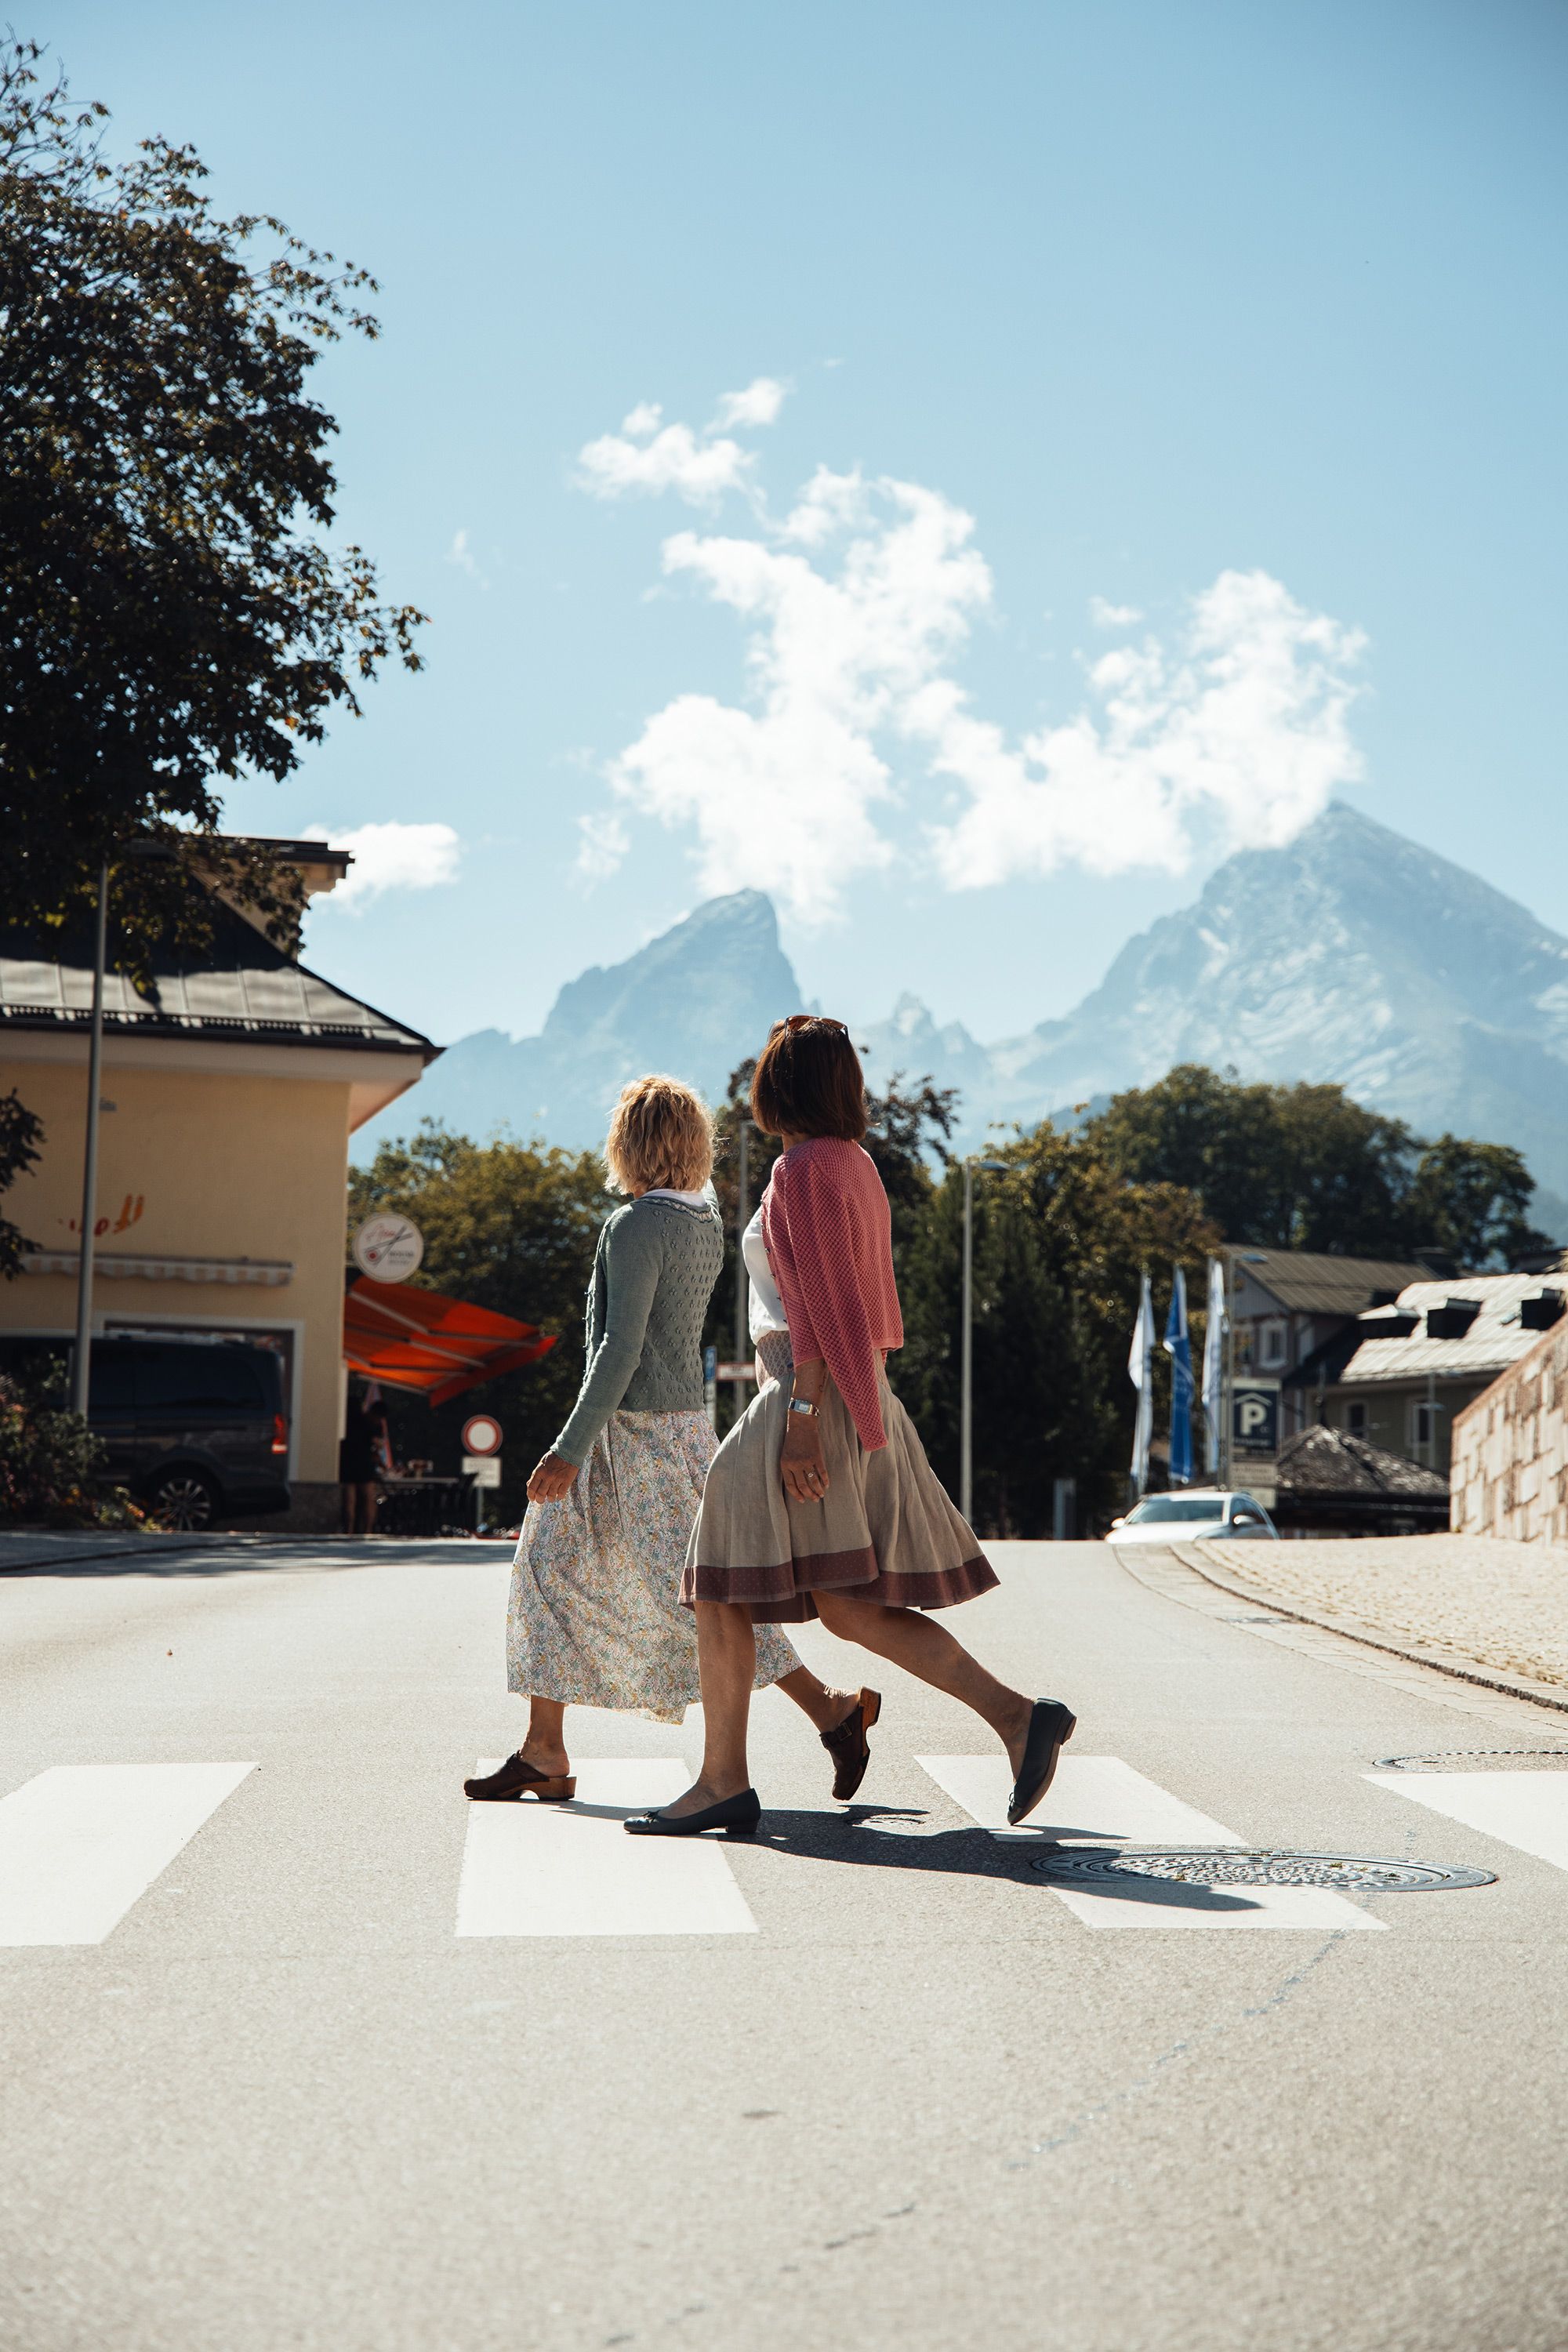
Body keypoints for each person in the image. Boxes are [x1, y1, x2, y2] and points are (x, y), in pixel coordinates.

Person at [624, 1016, 1076, 1839]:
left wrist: (799, 1419)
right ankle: (1018, 1718)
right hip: (846, 1395)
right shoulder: (854, 1164)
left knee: (719, 1576)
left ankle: (723, 1780)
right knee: (843, 1606)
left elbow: (833, 1310)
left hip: (811, 1399)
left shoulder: (802, 1169)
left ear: (777, 1083)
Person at [464, 1073, 879, 1806]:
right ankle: (543, 1749)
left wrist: (568, 1447)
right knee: (569, 1573)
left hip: (632, 1435)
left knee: (693, 1595)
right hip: (680, 1426)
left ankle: (833, 1710)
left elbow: (619, 1349)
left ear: (630, 1144)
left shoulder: (636, 1226)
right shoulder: (699, 1220)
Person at [339, 1379, 389, 1535]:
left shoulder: (350, 1421)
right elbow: (377, 1446)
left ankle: (349, 1530)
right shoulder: (374, 1425)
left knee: (350, 1501)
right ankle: (367, 1530)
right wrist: (381, 1463)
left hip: (346, 1464)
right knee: (368, 1499)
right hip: (364, 1466)